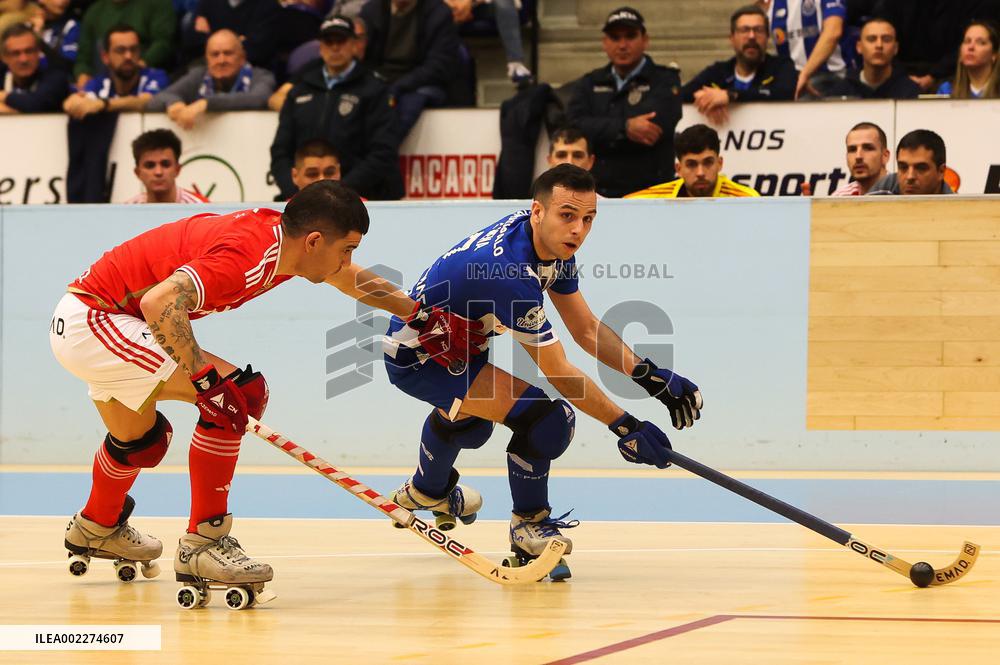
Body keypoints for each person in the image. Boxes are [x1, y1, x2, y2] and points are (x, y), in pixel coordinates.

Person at [50, 180, 484, 606]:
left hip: (86, 318)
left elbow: (348, 279)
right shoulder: (247, 254)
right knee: (240, 395)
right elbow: (160, 303)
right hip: (100, 321)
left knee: (142, 443)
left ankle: (97, 526)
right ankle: (205, 541)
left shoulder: (282, 240)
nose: (348, 259)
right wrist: (204, 380)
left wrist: (420, 315)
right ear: (315, 240)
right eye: (347, 248)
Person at [382, 164, 704, 579]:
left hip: (457, 347)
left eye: (588, 219)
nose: (578, 230)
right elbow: (559, 372)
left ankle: (428, 491)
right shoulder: (510, 274)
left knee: (473, 426)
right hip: (420, 358)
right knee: (547, 419)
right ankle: (528, 525)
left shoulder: (549, 248)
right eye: (567, 215)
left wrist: (652, 378)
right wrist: (625, 426)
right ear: (537, 212)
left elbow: (586, 329)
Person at [270, 15, 403, 200]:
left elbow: (382, 152)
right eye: (328, 41)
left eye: (341, 40)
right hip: (304, 197)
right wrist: (295, 191)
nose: (335, 47)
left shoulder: (375, 89)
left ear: (354, 44)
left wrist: (339, 193)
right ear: (320, 46)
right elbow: (280, 151)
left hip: (364, 198)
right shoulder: (300, 89)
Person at [565, 7, 682, 198]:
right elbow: (575, 126)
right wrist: (625, 127)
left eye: (630, 36)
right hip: (598, 193)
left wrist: (602, 128)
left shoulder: (666, 79)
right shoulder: (589, 82)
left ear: (645, 40)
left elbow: (656, 126)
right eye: (615, 37)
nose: (622, 45)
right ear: (604, 43)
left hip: (653, 192)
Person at [359, 0, 461, 141]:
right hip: (379, 80)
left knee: (410, 103)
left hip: (420, 83)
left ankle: (383, 151)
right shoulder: (371, 10)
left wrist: (398, 87)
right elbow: (362, 59)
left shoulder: (439, 12)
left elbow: (438, 65)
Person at [682, 5, 797, 124]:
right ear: (732, 38)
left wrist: (731, 95)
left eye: (758, 30)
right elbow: (681, 95)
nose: (751, 36)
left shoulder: (782, 66)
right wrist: (704, 97)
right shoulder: (718, 71)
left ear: (767, 37)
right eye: (744, 30)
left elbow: (785, 93)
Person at [147, 29, 275, 130]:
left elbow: (259, 99)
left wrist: (206, 104)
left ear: (242, 57)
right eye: (215, 54)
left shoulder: (261, 76)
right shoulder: (198, 75)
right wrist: (174, 103)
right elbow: (158, 98)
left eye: (228, 53)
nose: (221, 60)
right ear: (207, 59)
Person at [624, 124, 759, 198]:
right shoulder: (655, 198)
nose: (700, 173)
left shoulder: (747, 200)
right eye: (691, 164)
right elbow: (622, 208)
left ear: (720, 163)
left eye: (708, 162)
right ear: (678, 169)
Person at [63, 24, 166, 119]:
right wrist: (74, 101)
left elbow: (147, 102)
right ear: (105, 57)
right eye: (120, 50)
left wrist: (103, 104)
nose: (128, 56)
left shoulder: (156, 76)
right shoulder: (99, 83)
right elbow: (79, 101)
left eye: (133, 49)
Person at [73, 0, 176, 90]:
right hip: (103, 79)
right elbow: (83, 56)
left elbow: (164, 42)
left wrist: (139, 64)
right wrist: (82, 75)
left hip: (142, 78)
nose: (128, 55)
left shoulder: (157, 3)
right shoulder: (95, 11)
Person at [759, 0, 850, 98]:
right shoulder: (770, 4)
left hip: (828, 75)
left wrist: (804, 74)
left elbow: (833, 32)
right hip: (787, 77)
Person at [831, 17, 920, 98]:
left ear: (895, 48)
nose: (879, 45)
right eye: (871, 39)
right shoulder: (841, 92)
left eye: (886, 39)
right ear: (859, 47)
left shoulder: (910, 91)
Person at [180, 0, 280, 68]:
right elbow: (192, 40)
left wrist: (211, 40)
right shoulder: (208, 2)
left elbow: (258, 51)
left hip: (250, 69)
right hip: (206, 65)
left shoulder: (268, 5)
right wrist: (239, 41)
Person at [124, 129, 209, 204]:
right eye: (150, 165)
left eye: (165, 164)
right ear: (137, 172)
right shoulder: (125, 212)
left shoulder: (200, 208)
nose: (158, 172)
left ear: (177, 169)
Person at [0, 21, 68, 113]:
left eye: (29, 51)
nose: (23, 59)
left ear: (38, 52)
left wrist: (4, 97)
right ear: (4, 57)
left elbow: (37, 105)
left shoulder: (56, 78)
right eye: (16, 53)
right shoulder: (2, 75)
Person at [868, 129, 955, 195]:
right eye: (903, 167)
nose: (910, 177)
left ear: (941, 171)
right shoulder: (886, 188)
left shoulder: (956, 209)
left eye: (921, 168)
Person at [937, 21, 1000, 98]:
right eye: (967, 41)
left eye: (980, 42)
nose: (971, 47)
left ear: (994, 54)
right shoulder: (946, 89)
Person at [831, 121, 890, 196]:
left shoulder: (902, 192)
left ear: (885, 156)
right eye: (852, 150)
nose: (858, 156)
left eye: (868, 148)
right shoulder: (840, 197)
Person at [32, 0, 79, 72]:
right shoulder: (27, 23)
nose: (63, 1)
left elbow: (66, 65)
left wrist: (38, 38)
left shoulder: (71, 26)